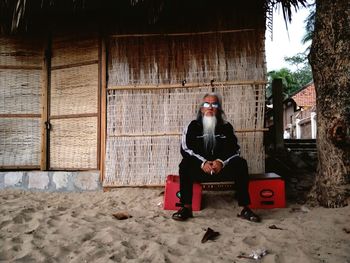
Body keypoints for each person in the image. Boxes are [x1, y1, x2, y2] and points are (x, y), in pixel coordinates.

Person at [172, 92, 261, 222]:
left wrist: (221, 162)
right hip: (200, 169)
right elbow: (185, 149)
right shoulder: (192, 127)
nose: (210, 107)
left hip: (222, 169)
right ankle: (186, 208)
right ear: (201, 108)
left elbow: (235, 149)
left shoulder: (226, 127)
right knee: (185, 165)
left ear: (218, 108)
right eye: (206, 104)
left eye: (214, 104)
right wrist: (203, 163)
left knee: (241, 163)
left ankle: (245, 208)